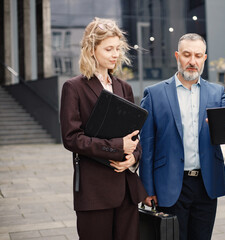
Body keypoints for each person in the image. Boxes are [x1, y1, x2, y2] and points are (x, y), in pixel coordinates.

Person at [60, 17, 147, 240]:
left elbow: (135, 136)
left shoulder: (124, 87)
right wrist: (118, 147)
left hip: (126, 190)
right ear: (91, 50)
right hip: (94, 192)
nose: (115, 54)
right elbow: (72, 139)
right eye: (109, 49)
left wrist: (133, 157)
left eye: (118, 48)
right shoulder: (73, 88)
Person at [139, 33, 225, 240]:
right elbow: (147, 146)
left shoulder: (217, 93)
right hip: (169, 185)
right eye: (187, 55)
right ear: (177, 56)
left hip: (206, 185)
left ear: (204, 58)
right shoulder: (154, 94)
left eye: (198, 56)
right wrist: (146, 189)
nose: (192, 61)